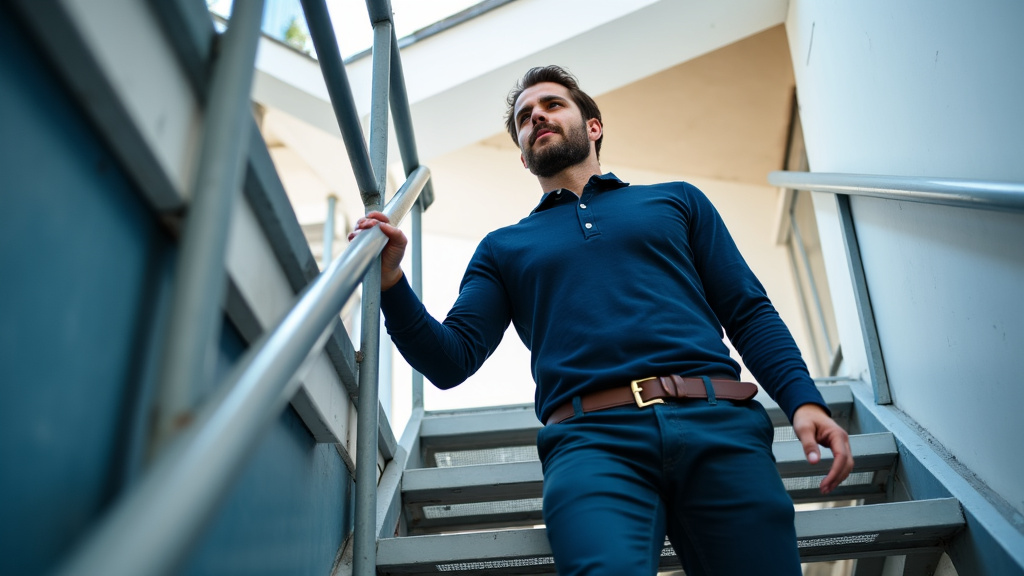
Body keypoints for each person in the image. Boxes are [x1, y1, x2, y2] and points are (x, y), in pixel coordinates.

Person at [350, 65, 854, 576]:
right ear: (523, 157)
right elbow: (450, 359)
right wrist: (392, 283)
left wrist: (802, 399)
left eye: (552, 105)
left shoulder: (677, 200)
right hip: (590, 443)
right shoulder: (503, 248)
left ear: (593, 126)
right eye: (524, 117)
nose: (536, 116)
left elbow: (748, 311)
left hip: (719, 421)